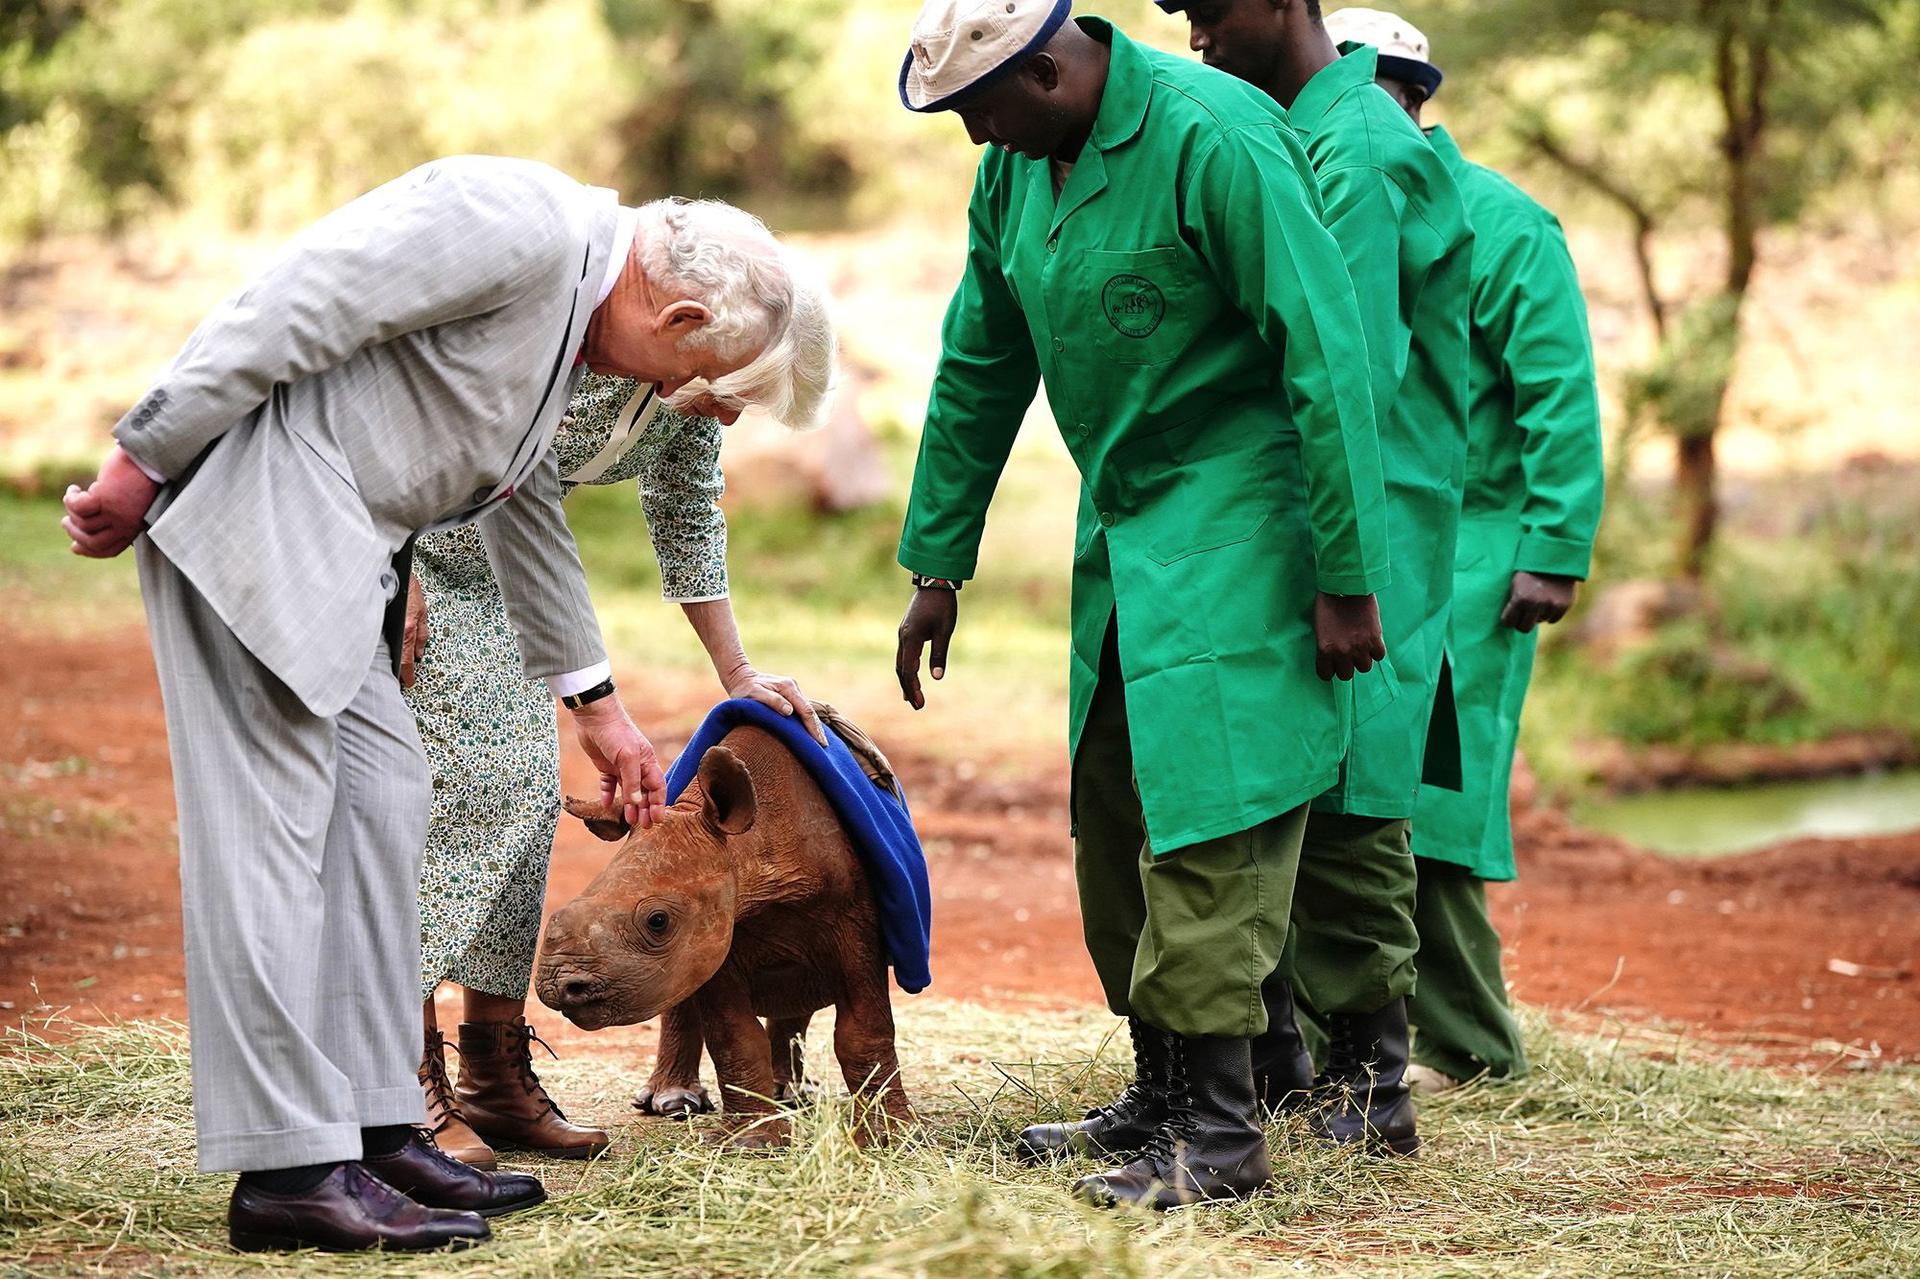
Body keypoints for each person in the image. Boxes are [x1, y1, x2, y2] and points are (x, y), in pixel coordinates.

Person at [59, 159, 834, 1253]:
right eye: (689, 371)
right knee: (273, 846)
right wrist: (143, 455)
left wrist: (596, 703)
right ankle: (287, 1165)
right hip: (266, 516)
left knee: (388, 804)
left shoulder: (565, 328)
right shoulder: (515, 219)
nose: (672, 400)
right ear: (682, 313)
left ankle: (378, 1126)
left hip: (348, 554)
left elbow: (518, 504)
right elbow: (297, 297)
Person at [892, 0, 1390, 1210]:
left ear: (1054, 69)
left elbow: (1328, 352)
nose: (974, 138)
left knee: (1210, 812)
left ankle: (1220, 1140)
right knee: (1115, 803)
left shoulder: (1214, 131)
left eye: (981, 109)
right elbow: (979, 360)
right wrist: (936, 564)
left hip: (1246, 517)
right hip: (1126, 527)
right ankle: (1160, 1094)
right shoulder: (1019, 170)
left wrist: (1347, 573)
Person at [1157, 0, 1472, 1156]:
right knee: (1296, 777)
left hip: (1367, 518)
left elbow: (1346, 364)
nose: (1194, 36)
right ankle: (1290, 1059)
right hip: (1308, 514)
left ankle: (1372, 1084)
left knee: (1353, 800)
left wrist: (1341, 566)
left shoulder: (1366, 145)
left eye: (1208, 7)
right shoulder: (1298, 128)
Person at [407, 365, 829, 1169]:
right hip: (418, 561)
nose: (733, 420)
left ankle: (491, 1067)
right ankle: (404, 1079)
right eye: (739, 395)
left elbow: (686, 516)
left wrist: (737, 672)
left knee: (529, 799)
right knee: (454, 804)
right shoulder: (585, 345)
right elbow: (418, 411)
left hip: (516, 583)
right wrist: (389, 562)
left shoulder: (688, 400)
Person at [1331, 8, 1606, 1090]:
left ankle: (1470, 1045)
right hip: (1366, 550)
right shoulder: (1327, 203)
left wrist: (1554, 543)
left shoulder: (1503, 220)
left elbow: (1558, 392)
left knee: (1437, 803)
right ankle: (1344, 1035)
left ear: (1405, 94)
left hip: (1480, 554)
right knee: (1344, 795)